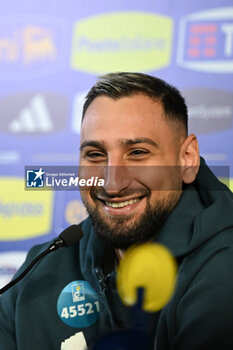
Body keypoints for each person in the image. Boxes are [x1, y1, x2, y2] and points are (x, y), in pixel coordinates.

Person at [0, 72, 233, 350]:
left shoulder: (224, 268)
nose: (112, 184)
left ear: (187, 159)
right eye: (95, 155)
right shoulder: (41, 267)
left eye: (137, 153)